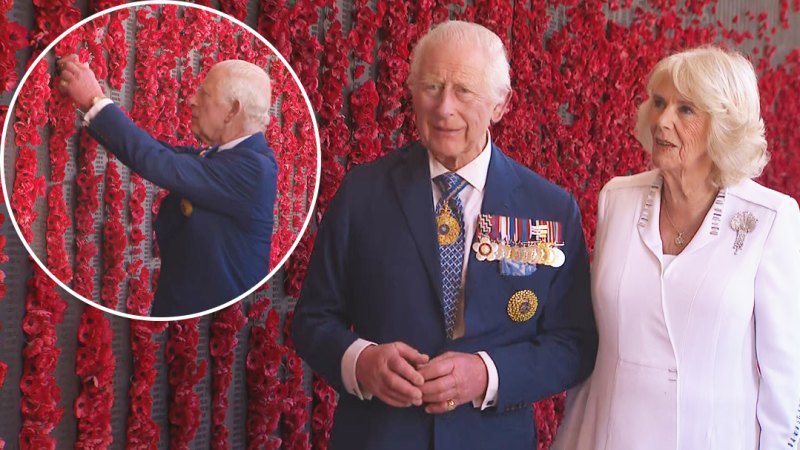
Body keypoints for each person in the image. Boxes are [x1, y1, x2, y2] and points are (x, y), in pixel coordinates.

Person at [292, 20, 597, 450]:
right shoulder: (362, 192)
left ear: (500, 104)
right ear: (412, 92)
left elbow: (574, 344)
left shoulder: (550, 208)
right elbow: (311, 320)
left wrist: (487, 374)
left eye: (464, 91)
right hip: (378, 437)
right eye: (431, 87)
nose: (444, 108)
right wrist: (360, 362)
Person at [552, 46, 800, 450]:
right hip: (605, 435)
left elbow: (786, 375)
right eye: (659, 102)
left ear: (724, 125)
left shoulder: (771, 218)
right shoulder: (617, 198)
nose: (661, 120)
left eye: (685, 109)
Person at [57, 55, 278, 317]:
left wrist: (95, 100)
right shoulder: (232, 156)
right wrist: (93, 105)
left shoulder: (254, 170)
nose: (192, 100)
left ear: (233, 109)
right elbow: (164, 153)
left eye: (205, 94)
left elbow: (160, 163)